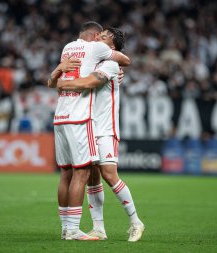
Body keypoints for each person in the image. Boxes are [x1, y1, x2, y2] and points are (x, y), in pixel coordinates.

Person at [57, 27, 145, 242]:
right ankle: (98, 228)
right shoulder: (93, 60)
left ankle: (135, 222)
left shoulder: (111, 64)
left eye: (104, 37)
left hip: (105, 128)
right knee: (91, 177)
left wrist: (61, 83)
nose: (98, 38)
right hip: (87, 125)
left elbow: (90, 82)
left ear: (111, 46)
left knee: (108, 174)